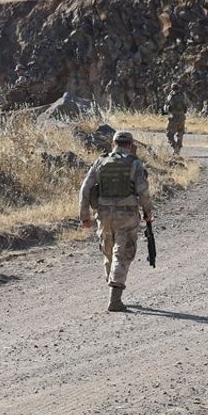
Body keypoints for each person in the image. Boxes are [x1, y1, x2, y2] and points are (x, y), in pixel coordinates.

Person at [78, 131, 154, 312]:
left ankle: (112, 288)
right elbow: (143, 191)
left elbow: (85, 188)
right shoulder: (134, 163)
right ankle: (115, 299)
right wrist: (148, 212)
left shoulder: (101, 162)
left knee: (108, 252)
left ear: (113, 144)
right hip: (126, 215)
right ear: (130, 144)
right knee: (122, 254)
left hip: (103, 215)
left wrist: (84, 216)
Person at [163, 82, 189, 157]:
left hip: (173, 117)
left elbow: (167, 106)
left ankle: (175, 147)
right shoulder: (183, 95)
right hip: (182, 117)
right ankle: (178, 148)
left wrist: (166, 109)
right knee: (180, 133)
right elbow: (187, 105)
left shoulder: (171, 95)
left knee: (169, 134)